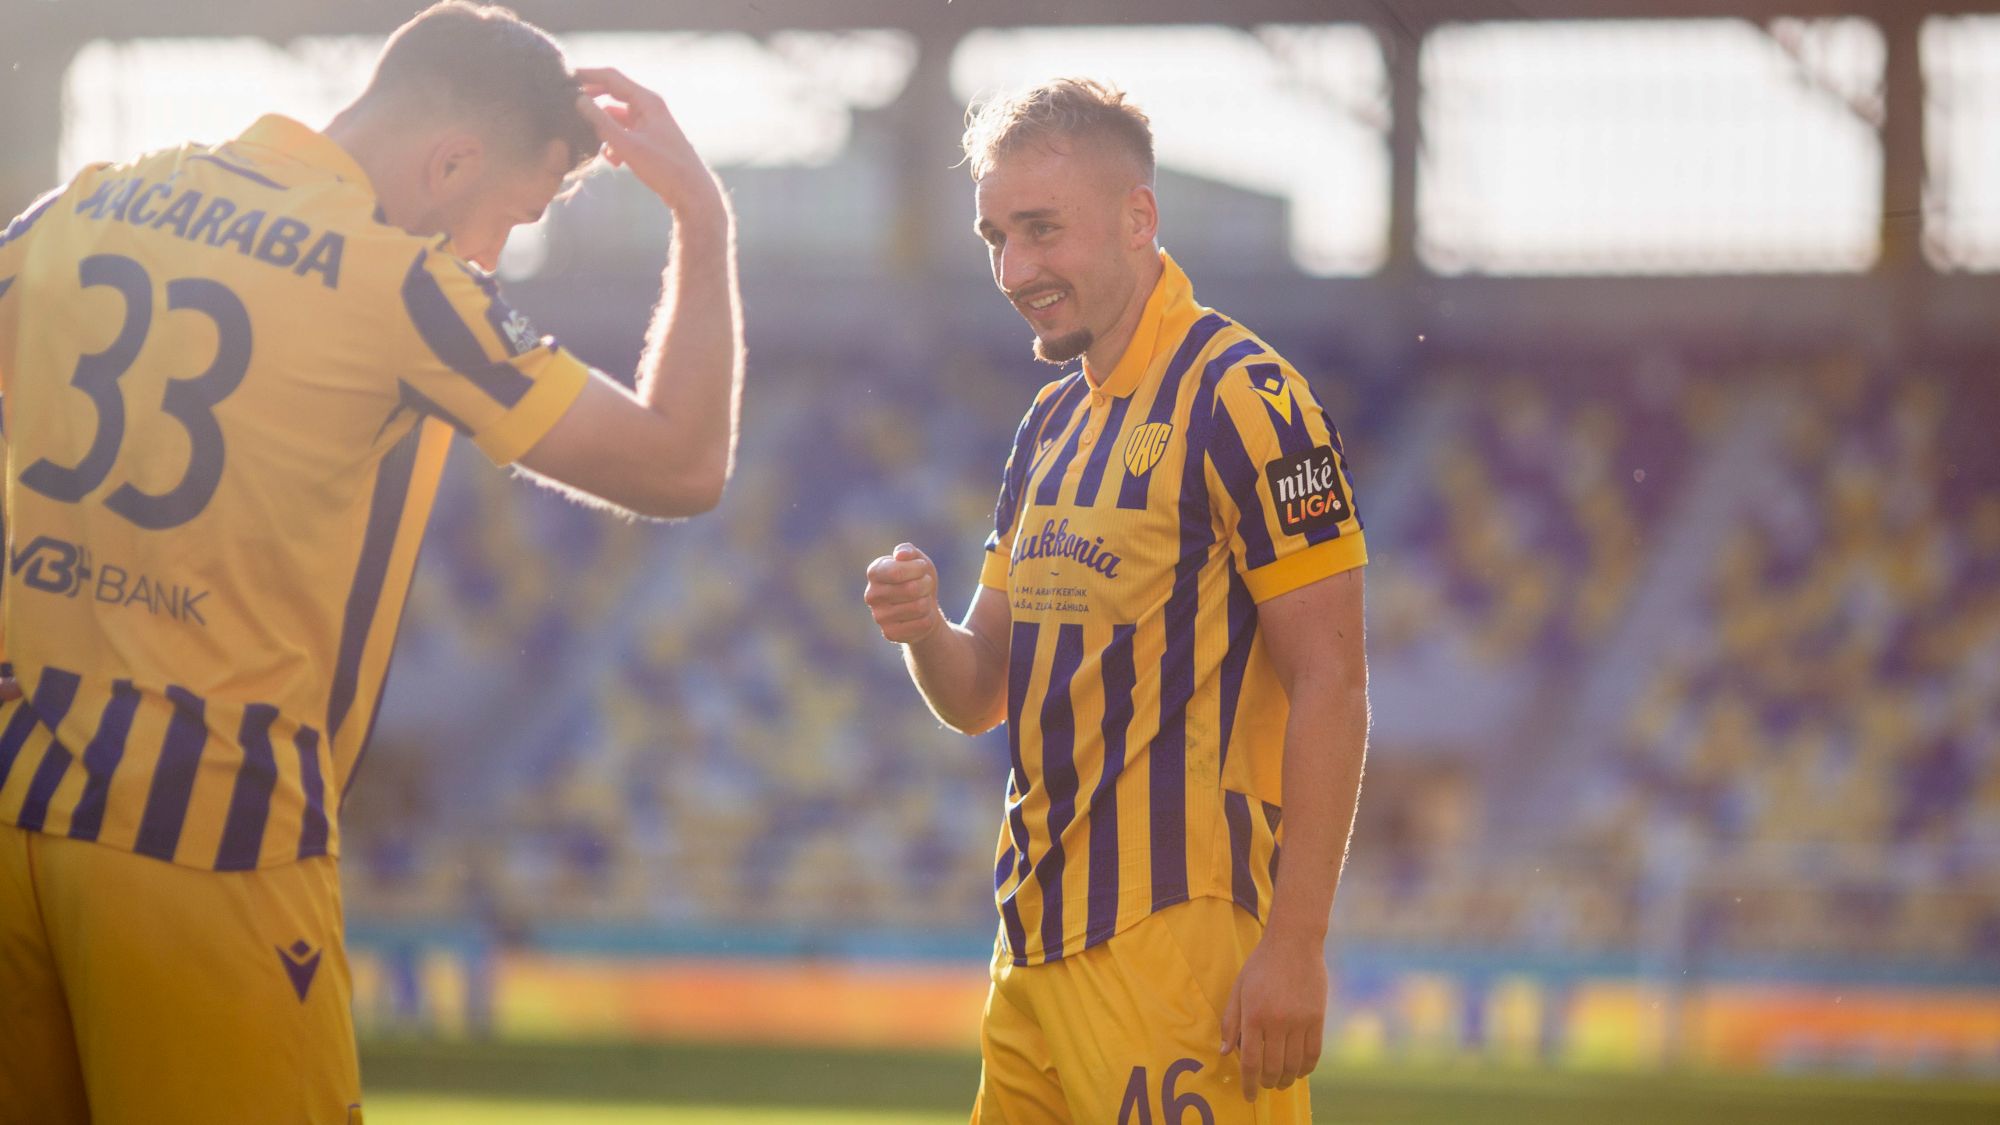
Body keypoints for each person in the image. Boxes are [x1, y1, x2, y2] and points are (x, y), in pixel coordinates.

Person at [0, 3, 742, 1121]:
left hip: (16, 805)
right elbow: (681, 463)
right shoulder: (399, 282)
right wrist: (703, 221)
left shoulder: (94, 198)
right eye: (513, 216)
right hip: (210, 830)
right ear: (451, 163)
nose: (494, 254)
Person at [864, 79, 1369, 1123]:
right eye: (996, 237)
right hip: (1030, 946)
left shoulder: (1246, 396)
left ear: (1139, 218)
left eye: (1041, 230)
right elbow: (980, 694)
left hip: (1177, 938)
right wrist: (923, 632)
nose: (1014, 271)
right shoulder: (1048, 427)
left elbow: (1333, 679)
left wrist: (1297, 945)